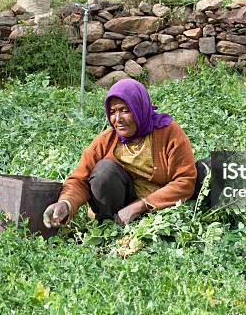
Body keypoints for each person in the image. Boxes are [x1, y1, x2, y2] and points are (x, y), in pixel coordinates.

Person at [43, 78, 207, 228]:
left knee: (209, 170)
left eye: (125, 110)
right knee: (104, 171)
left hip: (161, 206)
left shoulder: (168, 133)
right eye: (113, 112)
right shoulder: (106, 141)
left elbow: (184, 180)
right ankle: (108, 225)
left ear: (139, 108)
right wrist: (66, 203)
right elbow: (79, 179)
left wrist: (141, 205)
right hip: (118, 210)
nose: (117, 118)